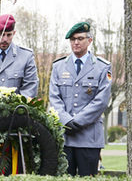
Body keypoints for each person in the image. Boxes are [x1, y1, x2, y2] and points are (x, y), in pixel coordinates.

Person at [49, 22, 111, 176]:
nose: (75, 42)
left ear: (89, 41)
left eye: (80, 38)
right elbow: (54, 98)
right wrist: (66, 121)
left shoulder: (102, 67)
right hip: (65, 137)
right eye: (72, 39)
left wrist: (77, 122)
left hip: (89, 137)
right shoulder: (58, 66)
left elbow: (101, 101)